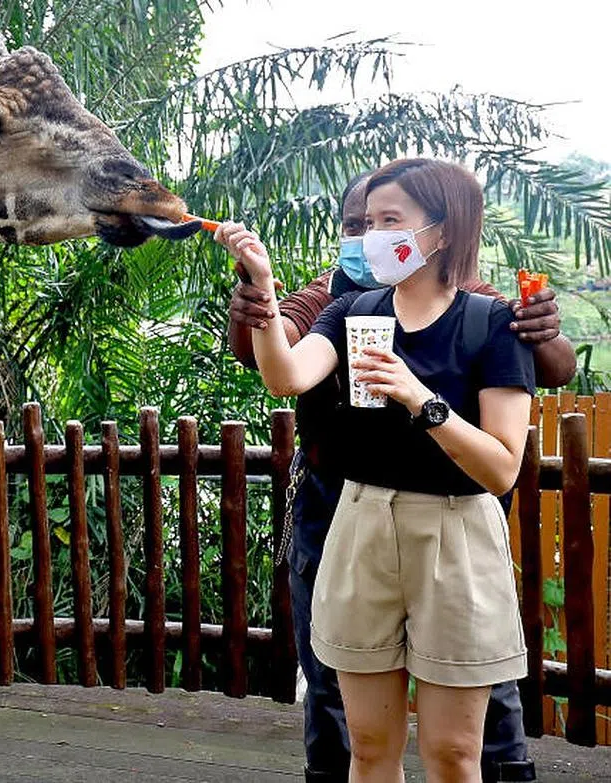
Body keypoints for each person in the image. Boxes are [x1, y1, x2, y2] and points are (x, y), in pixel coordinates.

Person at [216, 158, 564, 783]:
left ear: (443, 230)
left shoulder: (489, 322)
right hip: (361, 522)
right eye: (366, 222)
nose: (371, 236)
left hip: (455, 532)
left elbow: (500, 469)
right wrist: (262, 293)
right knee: (370, 746)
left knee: (453, 753)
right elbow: (285, 376)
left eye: (388, 221)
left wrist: (419, 399)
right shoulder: (353, 310)